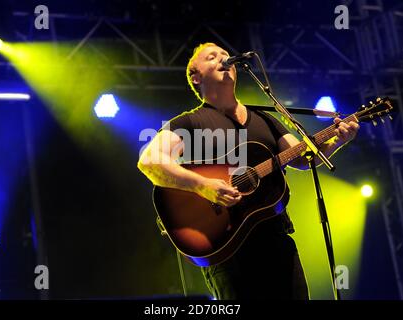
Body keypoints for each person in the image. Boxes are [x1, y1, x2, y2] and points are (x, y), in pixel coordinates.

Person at [137, 42, 359, 299]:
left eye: (225, 54)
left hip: (276, 241)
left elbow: (302, 157)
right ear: (196, 77)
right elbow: (150, 160)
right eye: (212, 57)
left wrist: (337, 141)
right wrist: (202, 185)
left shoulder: (266, 119)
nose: (224, 59)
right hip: (227, 249)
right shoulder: (190, 122)